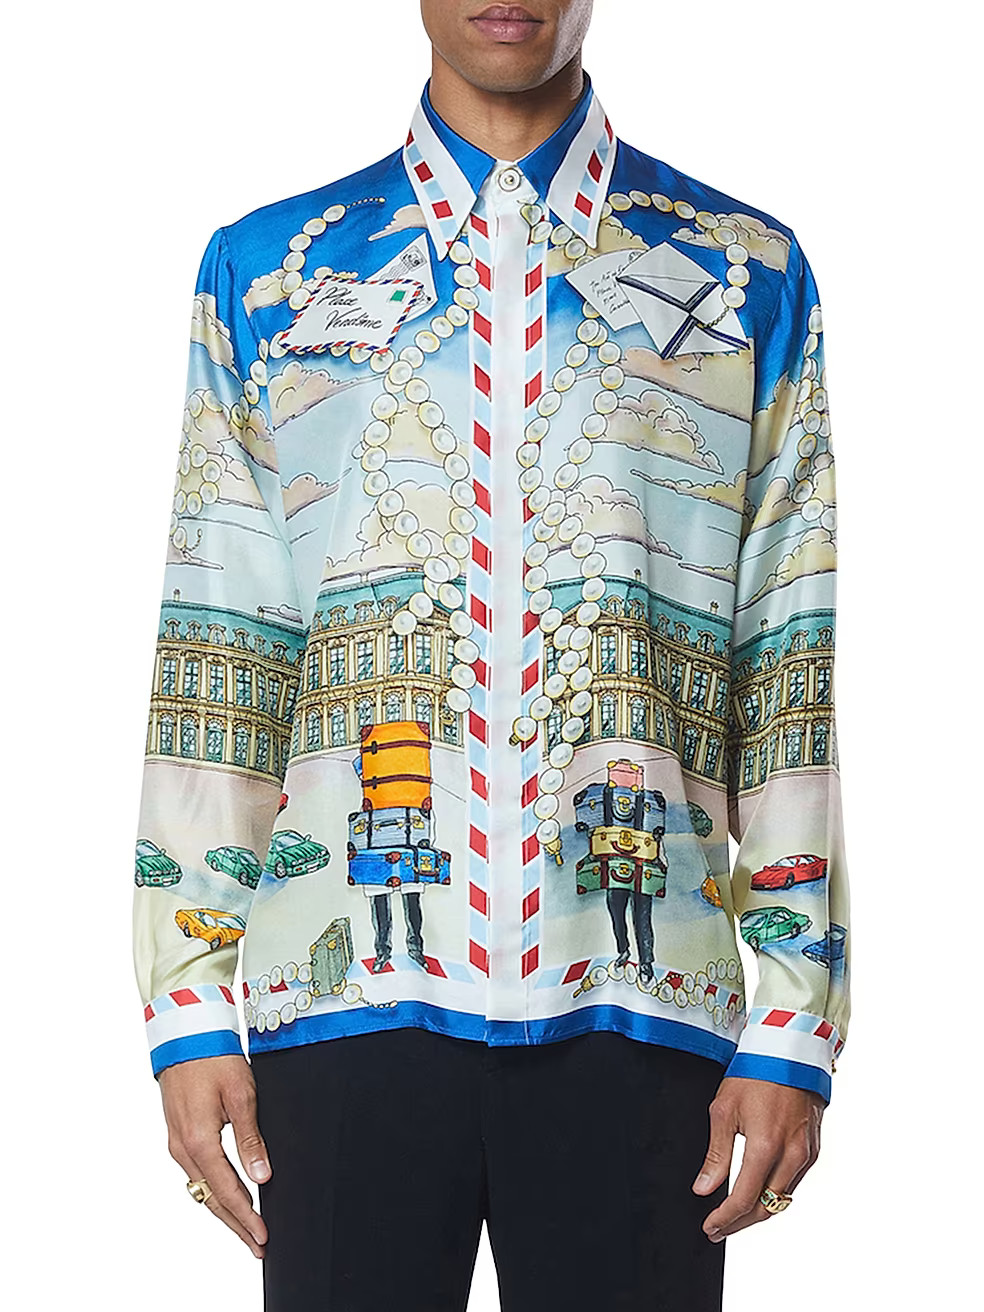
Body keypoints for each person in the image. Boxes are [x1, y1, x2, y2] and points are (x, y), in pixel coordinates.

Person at [132, 3, 852, 1308]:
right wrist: (184, 1003)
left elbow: (786, 652)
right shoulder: (270, 273)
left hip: (642, 1005)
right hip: (342, 1000)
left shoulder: (746, 272)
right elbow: (223, 629)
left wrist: (796, 1016)